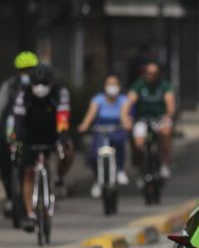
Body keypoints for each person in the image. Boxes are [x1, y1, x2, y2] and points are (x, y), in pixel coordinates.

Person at [9, 64, 71, 231]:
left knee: (67, 151)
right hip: (30, 136)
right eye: (37, 83)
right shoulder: (24, 93)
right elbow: (18, 118)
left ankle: (59, 180)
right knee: (27, 170)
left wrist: (62, 137)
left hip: (52, 133)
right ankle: (30, 213)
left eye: (44, 83)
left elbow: (63, 116)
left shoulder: (60, 93)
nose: (40, 87)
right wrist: (16, 139)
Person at [77, 75, 130, 198]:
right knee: (94, 155)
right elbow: (91, 114)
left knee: (119, 142)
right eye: (109, 84)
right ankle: (97, 181)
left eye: (115, 84)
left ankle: (120, 170)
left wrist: (126, 123)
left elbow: (123, 114)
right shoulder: (98, 99)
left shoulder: (123, 100)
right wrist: (84, 125)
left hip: (116, 127)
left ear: (119, 86)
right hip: (101, 128)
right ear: (105, 86)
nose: (112, 87)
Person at [121, 62, 176, 179]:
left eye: (154, 73)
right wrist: (125, 117)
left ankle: (165, 164)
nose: (151, 76)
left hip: (160, 118)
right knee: (139, 142)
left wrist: (168, 117)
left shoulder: (164, 85)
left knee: (165, 133)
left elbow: (170, 104)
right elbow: (128, 102)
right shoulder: (139, 85)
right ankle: (142, 166)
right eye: (149, 73)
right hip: (142, 119)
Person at [1, 51, 39, 216]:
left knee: (32, 165)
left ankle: (39, 197)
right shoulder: (9, 86)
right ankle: (11, 198)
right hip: (11, 127)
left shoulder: (40, 87)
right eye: (24, 70)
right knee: (6, 164)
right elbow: (1, 107)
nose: (27, 74)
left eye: (30, 69)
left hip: (31, 131)